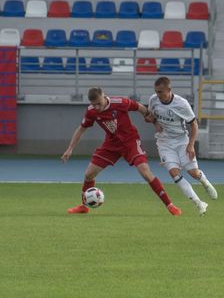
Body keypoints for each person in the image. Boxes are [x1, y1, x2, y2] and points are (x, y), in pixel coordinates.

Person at [61, 87, 182, 216]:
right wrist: (70, 149)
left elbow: (139, 107)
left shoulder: (120, 103)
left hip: (130, 142)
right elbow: (81, 129)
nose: (96, 107)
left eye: (99, 103)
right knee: (89, 174)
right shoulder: (91, 112)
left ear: (104, 97)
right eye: (94, 104)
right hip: (111, 144)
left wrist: (152, 120)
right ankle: (84, 206)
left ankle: (169, 205)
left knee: (145, 173)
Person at [146, 77, 218, 215]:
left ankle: (204, 181)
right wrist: (154, 122)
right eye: (156, 91)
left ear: (169, 90)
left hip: (181, 141)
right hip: (164, 142)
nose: (158, 95)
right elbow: (150, 116)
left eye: (161, 92)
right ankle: (199, 203)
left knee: (193, 173)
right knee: (174, 173)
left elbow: (194, 124)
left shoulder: (181, 104)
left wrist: (191, 145)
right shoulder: (153, 100)